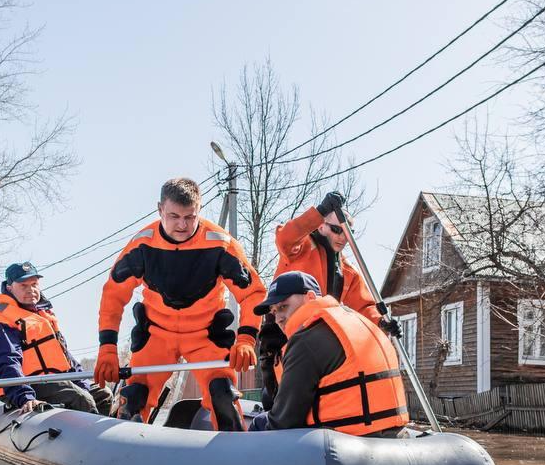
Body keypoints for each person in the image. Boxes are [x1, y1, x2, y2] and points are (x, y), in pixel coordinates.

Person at [92, 177, 266, 430]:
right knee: (135, 397)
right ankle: (122, 457)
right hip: (156, 334)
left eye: (190, 217)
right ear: (160, 209)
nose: (182, 225)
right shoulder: (142, 245)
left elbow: (252, 293)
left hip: (205, 335)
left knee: (223, 396)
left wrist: (247, 338)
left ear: (199, 211)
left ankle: (234, 457)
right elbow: (113, 294)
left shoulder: (220, 243)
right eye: (174, 216)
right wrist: (107, 347)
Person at [258, 191, 403, 406]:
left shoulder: (346, 271)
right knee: (278, 391)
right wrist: (320, 211)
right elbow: (285, 237)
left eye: (347, 232)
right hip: (282, 329)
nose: (342, 237)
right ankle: (272, 418)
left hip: (316, 335)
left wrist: (382, 322)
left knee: (314, 389)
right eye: (336, 230)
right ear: (321, 226)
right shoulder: (300, 247)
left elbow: (364, 305)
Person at [247, 271, 409, 437]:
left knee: (259, 423)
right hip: (395, 436)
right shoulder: (358, 321)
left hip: (348, 443)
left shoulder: (306, 340)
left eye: (283, 307)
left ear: (310, 297)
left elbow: (282, 422)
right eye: (274, 312)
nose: (278, 318)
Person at [0, 261, 112, 415]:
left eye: (34, 284)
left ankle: (104, 435)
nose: (31, 290)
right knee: (82, 399)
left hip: (55, 381)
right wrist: (24, 397)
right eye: (24, 285)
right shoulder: (3, 322)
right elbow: (6, 363)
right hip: (29, 385)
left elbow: (66, 358)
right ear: (9, 288)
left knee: (104, 394)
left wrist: (82, 382)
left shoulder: (44, 317)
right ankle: (90, 437)